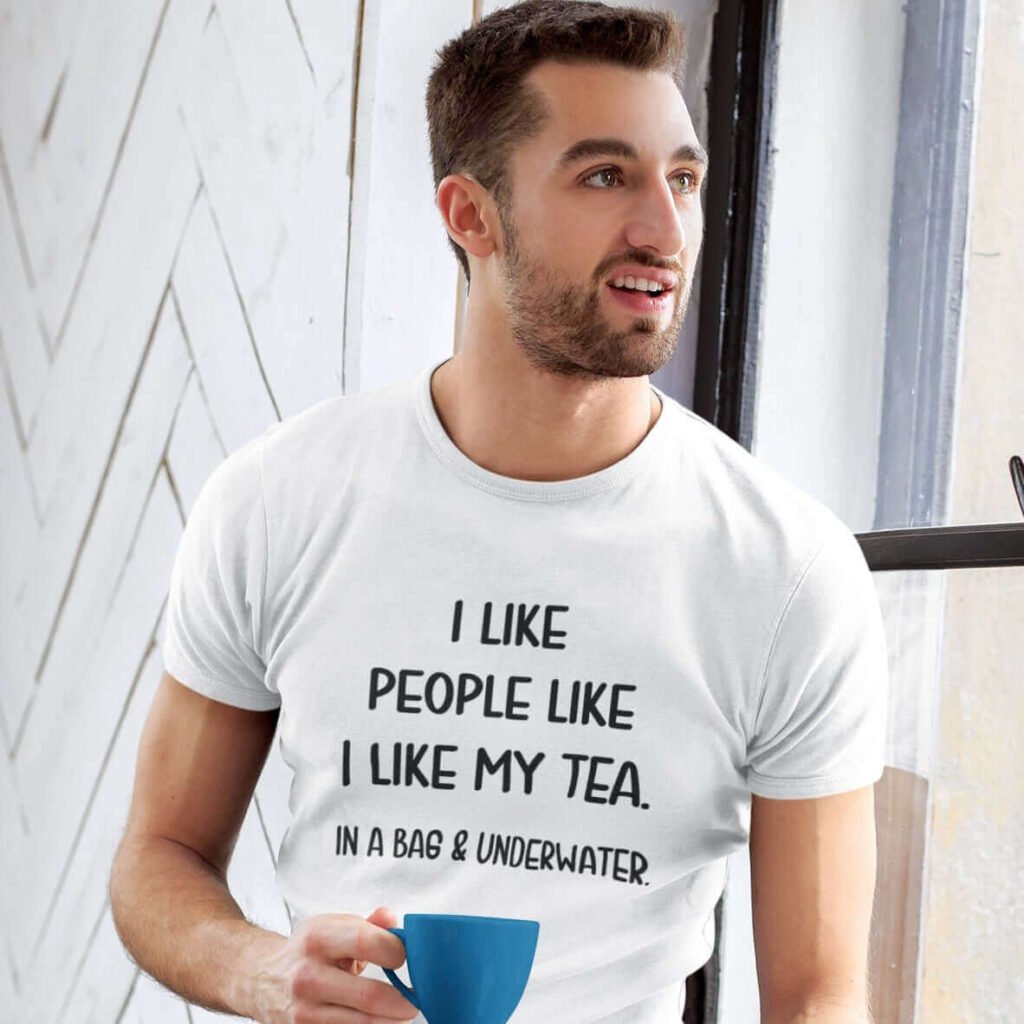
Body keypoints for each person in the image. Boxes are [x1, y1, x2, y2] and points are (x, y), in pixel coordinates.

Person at [110, 2, 888, 1022]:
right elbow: (157, 859)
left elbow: (820, 992)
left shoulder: (788, 569)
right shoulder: (277, 501)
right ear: (470, 216)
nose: (664, 228)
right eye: (605, 176)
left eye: (683, 179)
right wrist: (264, 973)